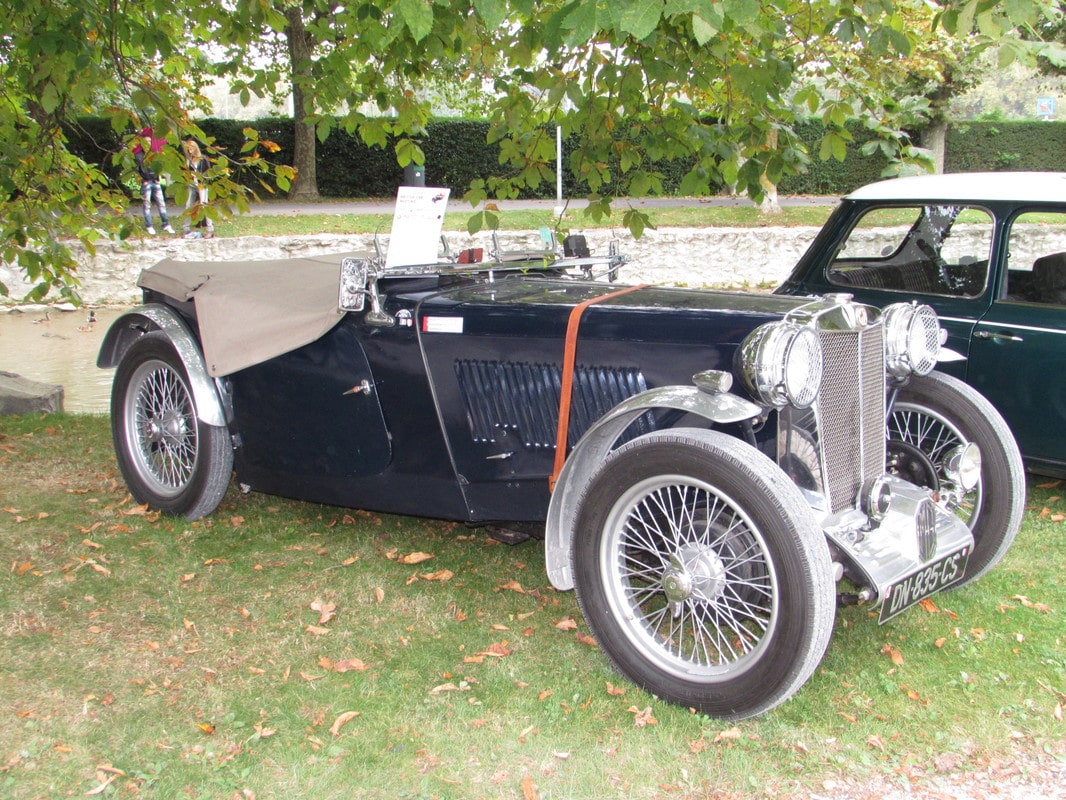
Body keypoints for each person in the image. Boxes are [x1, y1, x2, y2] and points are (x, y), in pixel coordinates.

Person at [132, 127, 174, 235]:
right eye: (146, 142)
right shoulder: (138, 155)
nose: (148, 144)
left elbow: (158, 167)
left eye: (150, 141)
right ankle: (149, 225)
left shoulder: (154, 153)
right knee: (147, 204)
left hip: (155, 181)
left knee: (161, 203)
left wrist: (158, 177)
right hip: (146, 182)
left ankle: (166, 224)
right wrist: (143, 179)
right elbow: (137, 169)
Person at [181, 139, 215, 239]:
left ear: (195, 148)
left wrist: (203, 181)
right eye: (188, 148)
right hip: (192, 185)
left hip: (201, 185)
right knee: (188, 206)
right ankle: (186, 229)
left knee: (204, 206)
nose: (189, 150)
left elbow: (209, 173)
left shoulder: (202, 159)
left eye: (191, 148)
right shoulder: (188, 159)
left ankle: (210, 229)